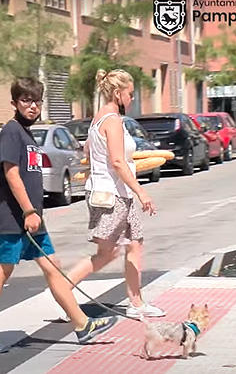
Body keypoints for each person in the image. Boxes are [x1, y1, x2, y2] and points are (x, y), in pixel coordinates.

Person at [0, 77, 118, 354]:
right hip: (15, 218)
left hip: (30, 219)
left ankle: (82, 325)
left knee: (52, 266)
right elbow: (12, 174)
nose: (32, 106)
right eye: (26, 101)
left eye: (36, 101)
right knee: (2, 270)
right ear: (14, 103)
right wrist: (29, 210)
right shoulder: (12, 131)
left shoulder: (26, 133)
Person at [64, 69, 165, 319]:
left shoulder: (98, 118)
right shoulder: (113, 121)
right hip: (112, 196)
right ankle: (62, 290)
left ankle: (136, 302)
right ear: (118, 93)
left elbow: (89, 152)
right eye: (130, 94)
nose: (132, 99)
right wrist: (141, 192)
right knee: (107, 253)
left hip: (117, 193)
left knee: (134, 245)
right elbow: (118, 162)